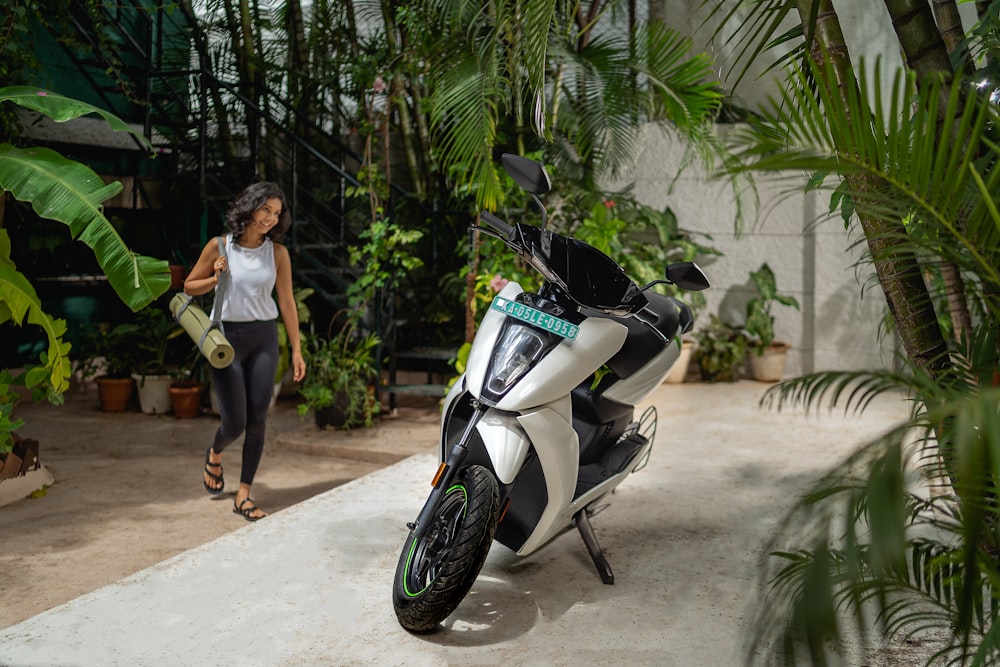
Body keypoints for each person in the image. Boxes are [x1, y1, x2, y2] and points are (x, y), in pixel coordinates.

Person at [184, 182, 306, 521]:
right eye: (265, 209)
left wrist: (296, 350)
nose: (270, 218)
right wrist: (215, 277)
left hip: (265, 337)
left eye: (277, 213)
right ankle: (216, 450)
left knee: (258, 421)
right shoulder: (219, 246)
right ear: (250, 207)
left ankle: (243, 494)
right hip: (227, 340)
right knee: (235, 422)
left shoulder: (277, 253)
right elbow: (188, 286)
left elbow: (287, 303)